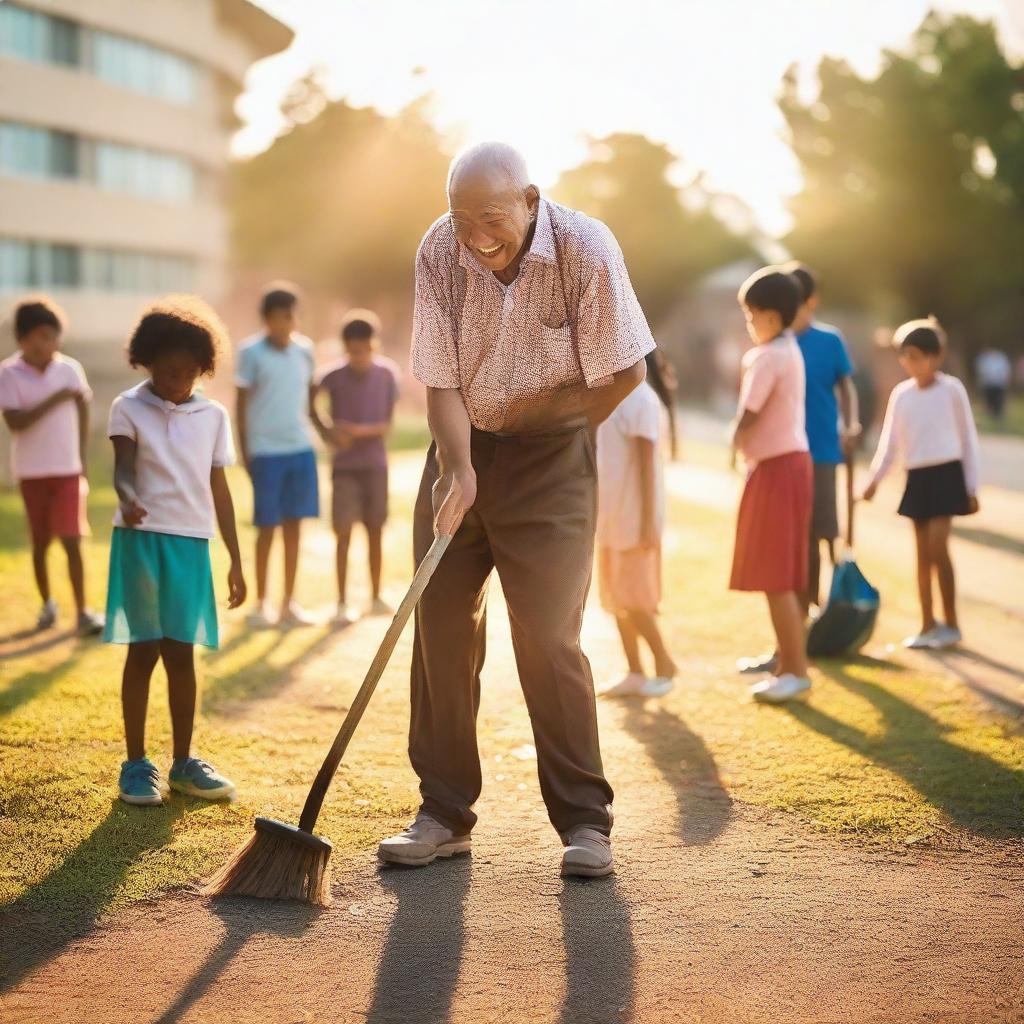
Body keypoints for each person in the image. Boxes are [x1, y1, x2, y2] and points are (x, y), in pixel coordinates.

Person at [378, 142, 652, 879]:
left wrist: (547, 438)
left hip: (553, 456)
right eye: (461, 217)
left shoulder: (585, 250)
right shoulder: (439, 249)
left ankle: (586, 823)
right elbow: (438, 377)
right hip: (462, 443)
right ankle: (442, 811)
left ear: (530, 198)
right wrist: (459, 466)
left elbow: (627, 370)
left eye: (490, 216)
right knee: (439, 627)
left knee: (549, 637)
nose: (476, 235)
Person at [105, 297, 246, 806]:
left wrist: (235, 558)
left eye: (189, 373)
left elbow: (220, 490)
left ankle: (184, 764)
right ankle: (136, 765)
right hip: (141, 540)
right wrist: (127, 496)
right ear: (146, 362)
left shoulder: (213, 415)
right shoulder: (128, 406)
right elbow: (122, 467)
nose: (178, 381)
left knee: (181, 652)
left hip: (191, 543)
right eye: (167, 372)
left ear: (203, 369)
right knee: (143, 648)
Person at [862, 317, 980, 649]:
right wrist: (874, 481)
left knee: (938, 547)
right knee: (920, 556)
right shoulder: (901, 395)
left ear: (935, 356)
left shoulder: (952, 390)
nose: (909, 363)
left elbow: (967, 438)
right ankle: (927, 624)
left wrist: (971, 487)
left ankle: (952, 624)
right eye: (905, 356)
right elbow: (890, 444)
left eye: (915, 356)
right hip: (918, 478)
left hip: (948, 476)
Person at [730, 267, 813, 704]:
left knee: (777, 574)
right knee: (783, 572)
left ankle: (795, 670)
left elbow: (749, 412)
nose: (748, 322)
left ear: (773, 318)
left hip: (777, 467)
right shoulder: (788, 349)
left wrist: (733, 441)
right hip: (790, 463)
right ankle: (789, 663)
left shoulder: (766, 356)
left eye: (752, 313)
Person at [0, 296, 103, 635]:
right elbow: (16, 422)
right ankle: (48, 604)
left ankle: (83, 611)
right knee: (41, 542)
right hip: (32, 472)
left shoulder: (70, 369)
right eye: (39, 337)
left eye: (52, 336)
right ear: (23, 338)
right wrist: (56, 398)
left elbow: (83, 408)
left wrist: (82, 456)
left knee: (72, 540)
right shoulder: (9, 373)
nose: (47, 344)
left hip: (67, 469)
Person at [236, 283, 319, 628]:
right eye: (276, 318)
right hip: (266, 452)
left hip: (300, 449)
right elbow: (240, 406)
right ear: (266, 319)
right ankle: (261, 605)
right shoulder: (251, 352)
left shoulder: (305, 351)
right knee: (266, 528)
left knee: (294, 528)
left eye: (289, 317)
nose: (283, 324)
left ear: (295, 317)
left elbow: (311, 402)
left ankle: (289, 603)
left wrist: (328, 432)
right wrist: (245, 453)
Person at [313, 309, 400, 625]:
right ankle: (340, 602)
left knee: (375, 528)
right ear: (344, 347)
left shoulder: (387, 374)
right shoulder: (332, 376)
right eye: (351, 350)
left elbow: (387, 425)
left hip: (375, 465)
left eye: (363, 350)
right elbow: (310, 402)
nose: (358, 356)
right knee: (343, 531)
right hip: (345, 467)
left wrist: (353, 431)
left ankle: (376, 597)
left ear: (374, 345)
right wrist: (328, 432)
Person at [597, 349, 676, 698]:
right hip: (608, 515)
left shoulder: (642, 400)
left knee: (635, 598)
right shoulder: (608, 397)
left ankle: (664, 665)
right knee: (615, 597)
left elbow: (647, 469)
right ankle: (634, 671)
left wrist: (647, 525)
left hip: (633, 519)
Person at [974, 346, 1011, 421]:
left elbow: (1005, 371)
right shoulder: (985, 359)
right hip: (989, 384)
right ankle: (990, 417)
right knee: (989, 401)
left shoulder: (1001, 359)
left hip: (998, 384)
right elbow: (981, 371)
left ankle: (998, 417)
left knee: (998, 401)